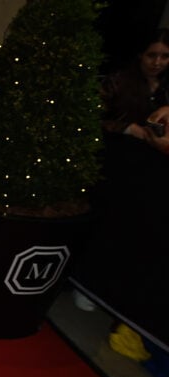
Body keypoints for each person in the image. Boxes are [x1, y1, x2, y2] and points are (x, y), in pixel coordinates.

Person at [70, 29, 169, 349]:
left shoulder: (166, 88)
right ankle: (85, 286)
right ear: (139, 55)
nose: (157, 63)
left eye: (164, 56)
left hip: (153, 173)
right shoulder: (119, 81)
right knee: (109, 224)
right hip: (118, 166)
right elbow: (92, 115)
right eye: (151, 55)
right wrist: (130, 129)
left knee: (137, 234)